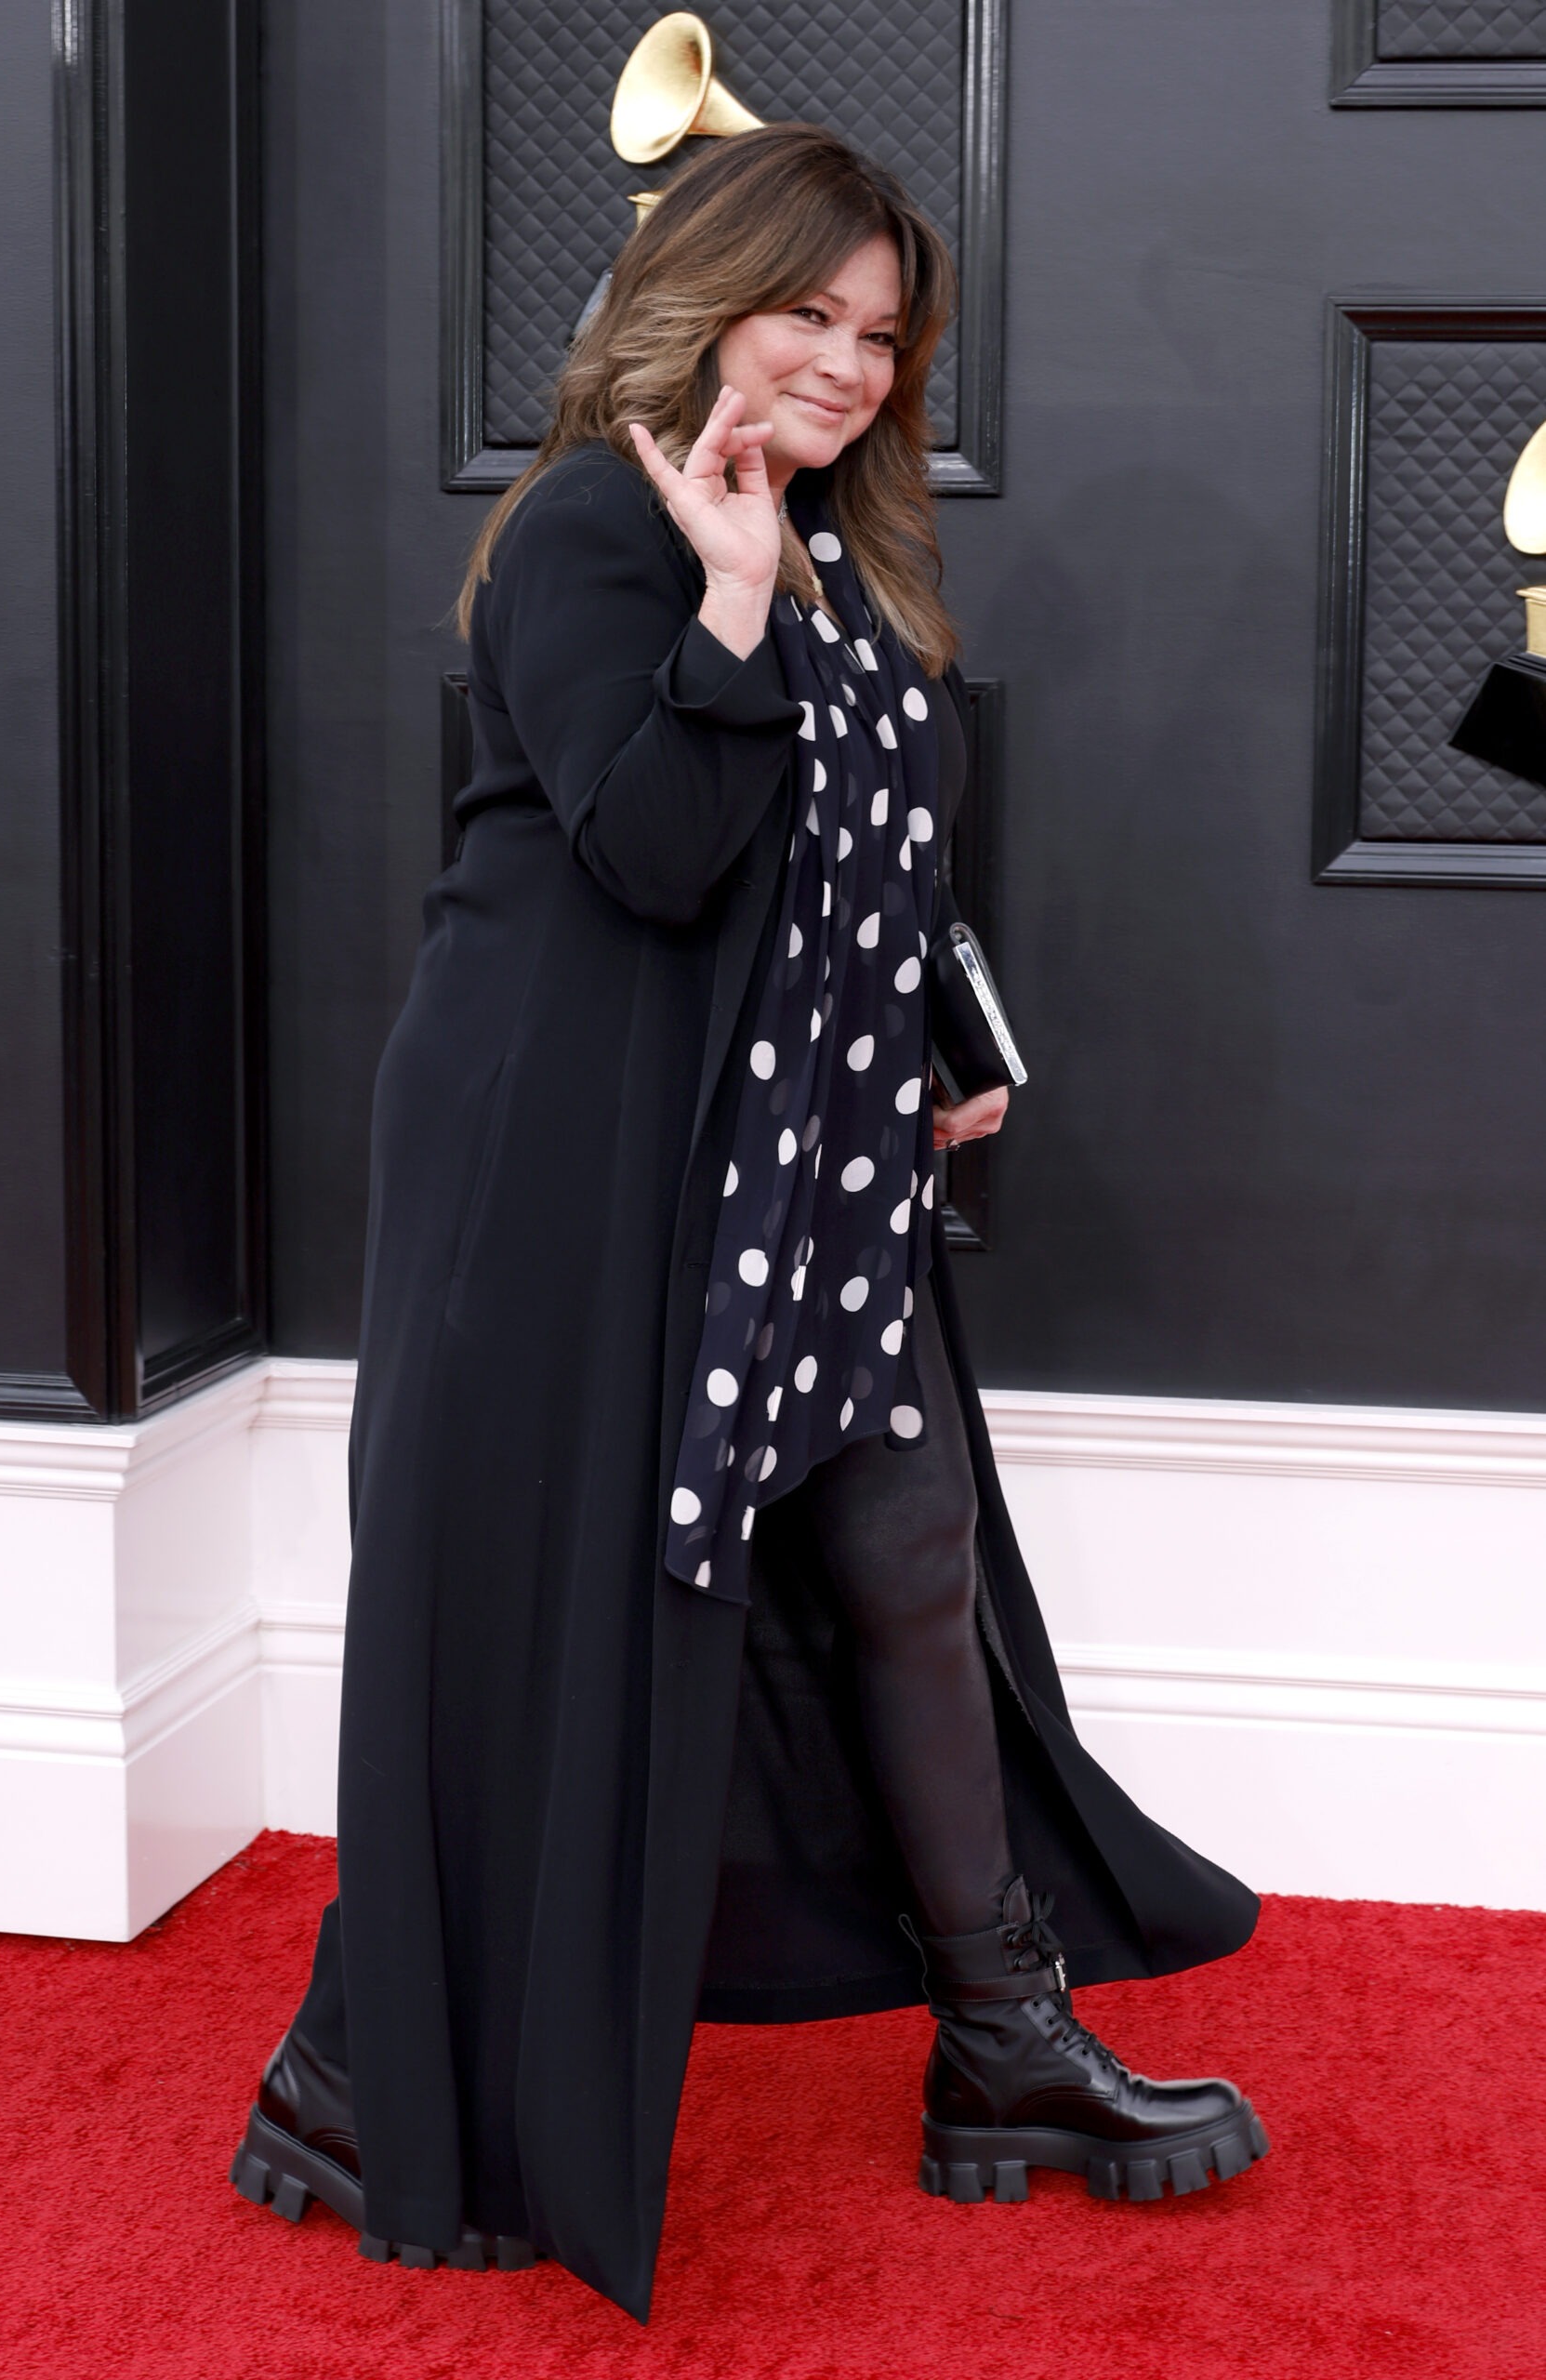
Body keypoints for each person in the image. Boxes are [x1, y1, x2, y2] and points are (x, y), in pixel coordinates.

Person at [231, 125, 1266, 2322]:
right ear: (703, 293)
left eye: (883, 336)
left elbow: (865, 853)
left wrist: (940, 1022)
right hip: (571, 1168)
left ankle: (1000, 2040)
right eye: (811, 312)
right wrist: (717, 593)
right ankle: (346, 2069)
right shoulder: (600, 535)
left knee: (905, 1553)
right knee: (550, 1621)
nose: (849, 363)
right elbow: (658, 852)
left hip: (796, 1160)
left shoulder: (822, 551)